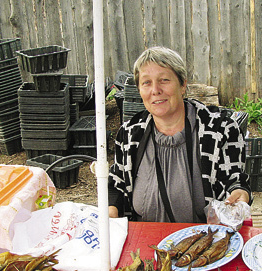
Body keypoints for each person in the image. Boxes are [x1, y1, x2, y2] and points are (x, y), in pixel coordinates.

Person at [108, 46, 252, 223]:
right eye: (146, 82)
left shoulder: (221, 129)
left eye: (164, 80)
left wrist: (240, 192)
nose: (155, 90)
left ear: (183, 84)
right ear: (139, 89)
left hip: (206, 241)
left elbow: (234, 179)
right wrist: (111, 210)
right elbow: (117, 185)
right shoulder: (130, 134)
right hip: (145, 242)